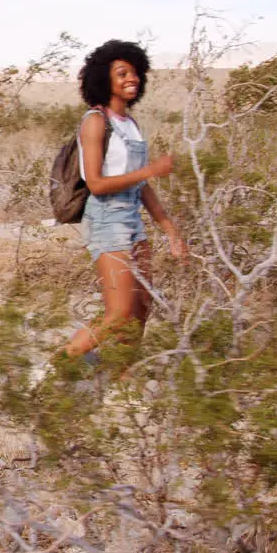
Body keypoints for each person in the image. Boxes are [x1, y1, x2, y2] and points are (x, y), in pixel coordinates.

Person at [64, 40, 187, 360]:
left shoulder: (131, 125)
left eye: (134, 72)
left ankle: (117, 382)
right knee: (118, 316)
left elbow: (142, 186)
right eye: (122, 73)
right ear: (104, 79)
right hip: (107, 219)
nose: (131, 78)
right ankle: (58, 365)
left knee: (140, 312)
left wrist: (170, 230)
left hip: (133, 219)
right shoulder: (95, 121)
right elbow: (97, 183)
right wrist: (149, 169)